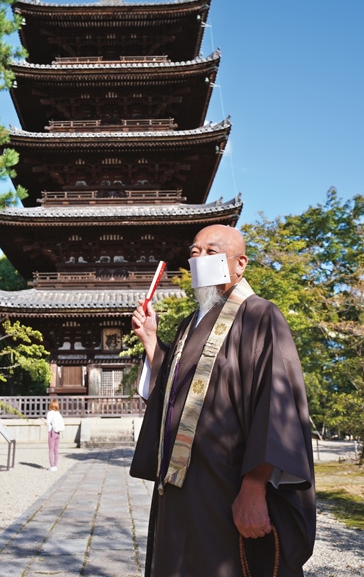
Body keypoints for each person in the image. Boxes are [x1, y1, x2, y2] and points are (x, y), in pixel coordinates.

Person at [130, 224, 316, 577]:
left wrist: (255, 485)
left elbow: (277, 405)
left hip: (228, 484)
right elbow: (172, 389)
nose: (199, 258)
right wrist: (151, 341)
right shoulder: (188, 324)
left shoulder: (260, 315)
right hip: (182, 483)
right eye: (194, 252)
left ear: (240, 263)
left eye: (211, 252)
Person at [46, 398, 64, 471]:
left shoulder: (50, 413)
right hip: (58, 432)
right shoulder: (58, 413)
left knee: (51, 450)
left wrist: (43, 421)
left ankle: (52, 466)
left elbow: (48, 423)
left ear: (50, 406)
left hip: (52, 432)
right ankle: (55, 466)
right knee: (56, 449)